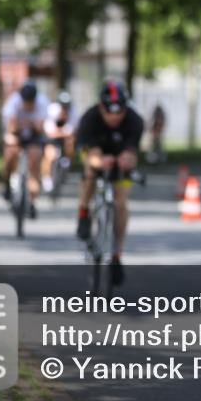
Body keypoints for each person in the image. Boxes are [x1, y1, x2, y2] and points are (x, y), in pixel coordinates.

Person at [75, 78, 144, 286]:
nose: (114, 116)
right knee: (91, 173)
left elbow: (132, 152)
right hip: (96, 152)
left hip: (120, 157)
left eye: (119, 111)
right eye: (109, 111)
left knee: (121, 203)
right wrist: (99, 161)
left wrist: (126, 160)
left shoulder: (134, 121)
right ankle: (84, 212)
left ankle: (116, 255)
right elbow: (90, 154)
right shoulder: (90, 118)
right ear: (101, 107)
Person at [1, 80, 50, 217]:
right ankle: (7, 184)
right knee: (10, 154)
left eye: (31, 102)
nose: (28, 105)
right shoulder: (13, 103)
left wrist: (25, 123)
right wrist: (27, 124)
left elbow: (40, 128)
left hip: (35, 136)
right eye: (26, 102)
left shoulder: (43, 102)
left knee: (34, 161)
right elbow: (11, 127)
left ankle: (32, 202)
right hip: (16, 134)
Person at [42, 90, 77, 193]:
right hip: (53, 137)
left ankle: (67, 160)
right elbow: (50, 132)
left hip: (65, 138)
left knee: (70, 141)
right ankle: (47, 178)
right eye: (63, 106)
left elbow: (72, 131)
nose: (65, 109)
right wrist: (61, 133)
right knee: (50, 155)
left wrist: (64, 133)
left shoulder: (73, 113)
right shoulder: (51, 111)